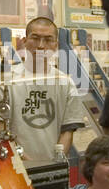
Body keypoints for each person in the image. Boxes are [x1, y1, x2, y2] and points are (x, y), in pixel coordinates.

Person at [5, 16, 86, 165]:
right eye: (35, 38)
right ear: (24, 41)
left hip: (53, 168)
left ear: (56, 45)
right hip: (15, 168)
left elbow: (67, 130)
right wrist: (26, 161)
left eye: (48, 40)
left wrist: (55, 162)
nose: (41, 46)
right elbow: (1, 131)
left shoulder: (65, 83)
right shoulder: (5, 82)